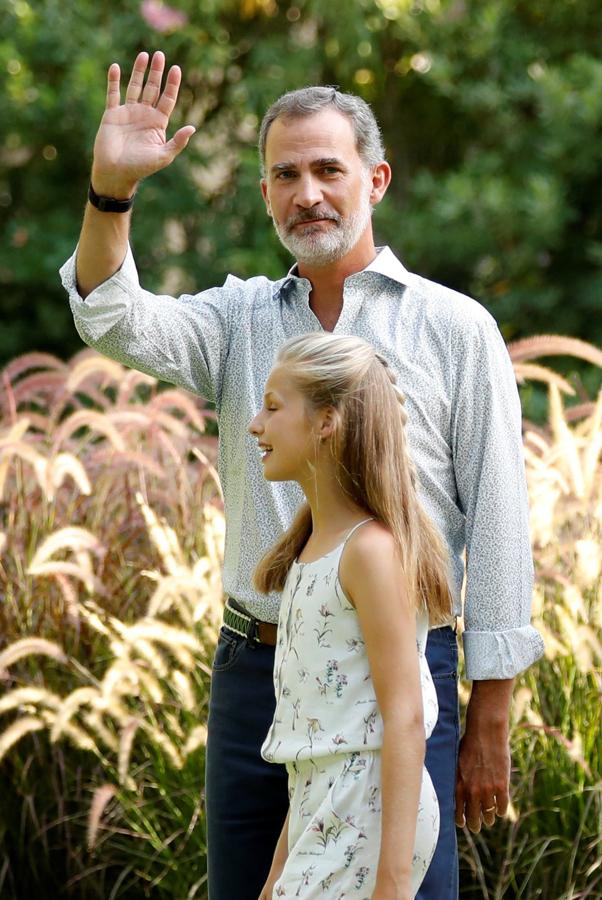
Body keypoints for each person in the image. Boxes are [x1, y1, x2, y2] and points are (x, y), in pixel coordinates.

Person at [59, 50, 544, 900]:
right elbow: (110, 316)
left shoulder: (455, 328)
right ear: (264, 193)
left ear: (377, 179)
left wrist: (488, 712)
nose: (308, 193)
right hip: (256, 677)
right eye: (286, 174)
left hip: (402, 677)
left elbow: (500, 518)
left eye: (329, 169)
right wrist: (111, 191)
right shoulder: (238, 320)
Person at [249, 332, 451, 898]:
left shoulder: (370, 552)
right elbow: (319, 744)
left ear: (326, 421)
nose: (254, 425)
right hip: (323, 806)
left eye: (272, 406)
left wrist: (391, 882)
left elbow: (404, 719)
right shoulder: (312, 551)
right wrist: (275, 878)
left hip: (368, 812)